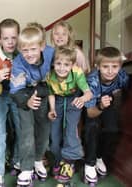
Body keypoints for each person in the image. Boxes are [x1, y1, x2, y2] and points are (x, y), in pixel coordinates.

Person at [10, 25, 54, 186]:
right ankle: (26, 168)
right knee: (27, 132)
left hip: (44, 92)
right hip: (24, 95)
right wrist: (26, 101)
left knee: (43, 129)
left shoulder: (51, 53)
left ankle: (38, 160)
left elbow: (66, 61)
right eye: (24, 50)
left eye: (33, 49)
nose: (29, 54)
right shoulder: (18, 63)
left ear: (42, 46)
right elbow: (16, 91)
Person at [46, 46, 92, 184]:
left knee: (71, 130)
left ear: (72, 65)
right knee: (54, 135)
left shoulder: (77, 73)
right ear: (54, 63)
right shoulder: (50, 75)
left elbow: (88, 93)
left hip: (74, 98)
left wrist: (82, 99)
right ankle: (58, 161)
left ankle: (68, 163)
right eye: (58, 64)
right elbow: (51, 94)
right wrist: (52, 109)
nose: (62, 68)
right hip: (58, 99)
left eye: (66, 65)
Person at [83, 47, 129, 185]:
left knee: (112, 129)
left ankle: (99, 157)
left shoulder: (122, 76)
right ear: (98, 67)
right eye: (105, 66)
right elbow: (90, 113)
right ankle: (89, 163)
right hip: (92, 105)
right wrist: (101, 106)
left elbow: (124, 92)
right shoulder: (92, 81)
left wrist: (114, 100)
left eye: (114, 66)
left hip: (108, 102)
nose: (110, 71)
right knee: (93, 127)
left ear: (120, 67)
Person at [0, 18, 21, 186]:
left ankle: (17, 160)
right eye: (6, 38)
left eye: (14, 38)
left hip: (18, 96)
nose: (10, 42)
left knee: (22, 129)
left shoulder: (22, 54)